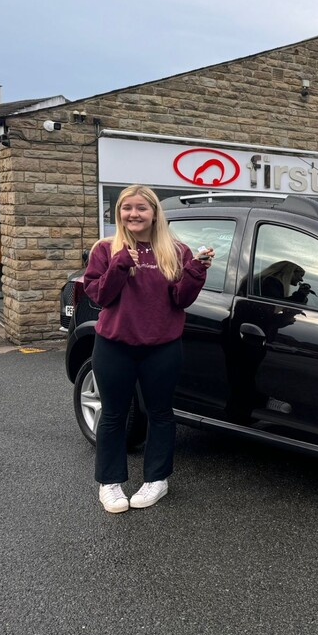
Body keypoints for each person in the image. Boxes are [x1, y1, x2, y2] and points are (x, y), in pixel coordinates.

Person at [83, 184, 213, 514]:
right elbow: (100, 296)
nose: (134, 214)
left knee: (160, 413)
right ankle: (109, 483)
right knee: (113, 415)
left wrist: (196, 272)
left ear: (154, 213)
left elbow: (181, 299)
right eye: (127, 208)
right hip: (114, 346)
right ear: (119, 213)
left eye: (141, 208)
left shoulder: (176, 251)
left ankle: (157, 479)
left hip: (162, 347)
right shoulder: (104, 249)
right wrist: (119, 266)